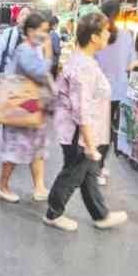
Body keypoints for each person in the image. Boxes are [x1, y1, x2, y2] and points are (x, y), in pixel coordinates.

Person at [43, 12, 128, 232]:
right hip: (77, 133)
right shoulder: (84, 66)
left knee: (88, 172)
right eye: (106, 31)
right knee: (73, 172)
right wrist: (90, 144)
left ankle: (101, 215)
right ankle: (53, 212)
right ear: (94, 37)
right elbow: (82, 109)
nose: (109, 34)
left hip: (78, 130)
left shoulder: (83, 60)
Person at [0, 11, 53, 203]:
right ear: (30, 31)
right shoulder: (25, 50)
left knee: (37, 148)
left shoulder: (32, 48)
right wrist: (49, 54)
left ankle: (39, 186)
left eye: (47, 31)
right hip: (21, 108)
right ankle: (2, 186)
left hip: (31, 107)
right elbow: (39, 72)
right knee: (16, 151)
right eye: (42, 31)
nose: (45, 35)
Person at [95, 0, 136, 184]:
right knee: (108, 129)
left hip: (97, 90)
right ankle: (100, 167)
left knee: (95, 128)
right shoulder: (127, 35)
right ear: (119, 14)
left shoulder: (96, 35)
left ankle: (94, 166)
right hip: (117, 90)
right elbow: (130, 65)